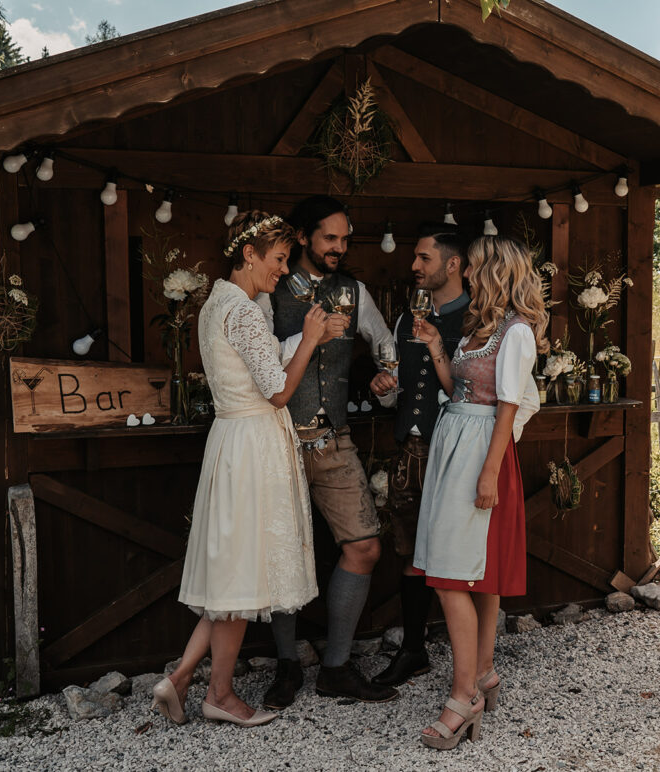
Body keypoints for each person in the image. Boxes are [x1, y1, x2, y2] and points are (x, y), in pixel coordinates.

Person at [151, 211, 328, 727]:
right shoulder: (245, 313)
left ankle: (182, 678)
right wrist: (311, 338)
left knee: (233, 569)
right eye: (277, 260)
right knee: (241, 577)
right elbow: (278, 391)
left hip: (231, 438)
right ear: (249, 254)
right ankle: (220, 695)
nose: (282, 270)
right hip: (253, 444)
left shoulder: (216, 305)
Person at [258, 195, 399, 708]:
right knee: (283, 557)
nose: (340, 248)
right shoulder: (268, 292)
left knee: (364, 547)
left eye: (345, 239)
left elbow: (385, 343)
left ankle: (336, 667)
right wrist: (308, 337)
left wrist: (388, 378)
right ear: (302, 237)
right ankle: (287, 664)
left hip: (334, 440)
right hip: (278, 442)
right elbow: (255, 364)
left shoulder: (353, 290)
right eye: (329, 239)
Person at [411, 236, 549, 750]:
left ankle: (463, 695)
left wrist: (489, 474)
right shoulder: (479, 327)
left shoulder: (515, 332)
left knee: (451, 575)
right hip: (456, 442)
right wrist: (434, 347)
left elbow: (509, 406)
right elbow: (457, 391)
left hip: (480, 454)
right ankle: (485, 674)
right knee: (477, 574)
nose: (465, 276)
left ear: (492, 272)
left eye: (471, 269)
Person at [368, 224, 470, 687]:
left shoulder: (478, 319)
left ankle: (474, 661)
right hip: (410, 448)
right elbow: (397, 384)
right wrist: (385, 391)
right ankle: (414, 650)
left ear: (452, 264)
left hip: (453, 451)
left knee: (454, 552)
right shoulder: (404, 319)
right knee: (409, 549)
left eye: (423, 258)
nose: (414, 266)